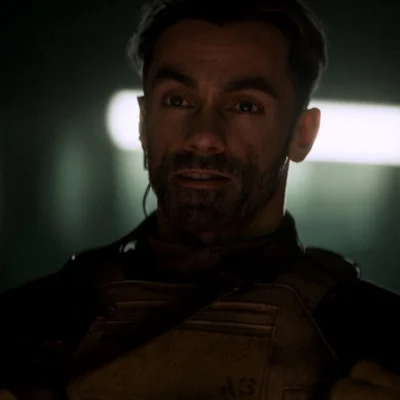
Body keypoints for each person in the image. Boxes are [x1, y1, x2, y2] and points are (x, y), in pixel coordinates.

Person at [1, 0, 400, 398]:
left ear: (302, 135)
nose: (204, 136)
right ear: (143, 122)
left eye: (245, 106)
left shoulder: (376, 336)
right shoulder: (32, 327)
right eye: (178, 101)